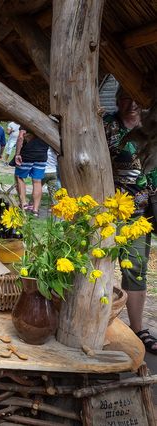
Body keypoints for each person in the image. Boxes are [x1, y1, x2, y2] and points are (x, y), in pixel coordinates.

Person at [103, 87, 156, 355]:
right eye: (125, 98)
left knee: (135, 269)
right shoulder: (107, 126)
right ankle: (98, 324)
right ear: (117, 100)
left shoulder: (151, 126)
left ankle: (137, 330)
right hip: (108, 211)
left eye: (136, 98)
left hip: (140, 215)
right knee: (98, 266)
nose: (132, 104)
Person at [14, 128, 48, 217]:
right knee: (37, 181)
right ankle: (35, 209)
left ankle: (24, 204)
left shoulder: (26, 122)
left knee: (19, 177)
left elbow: (21, 137)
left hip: (27, 154)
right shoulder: (46, 124)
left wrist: (17, 153)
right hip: (42, 155)